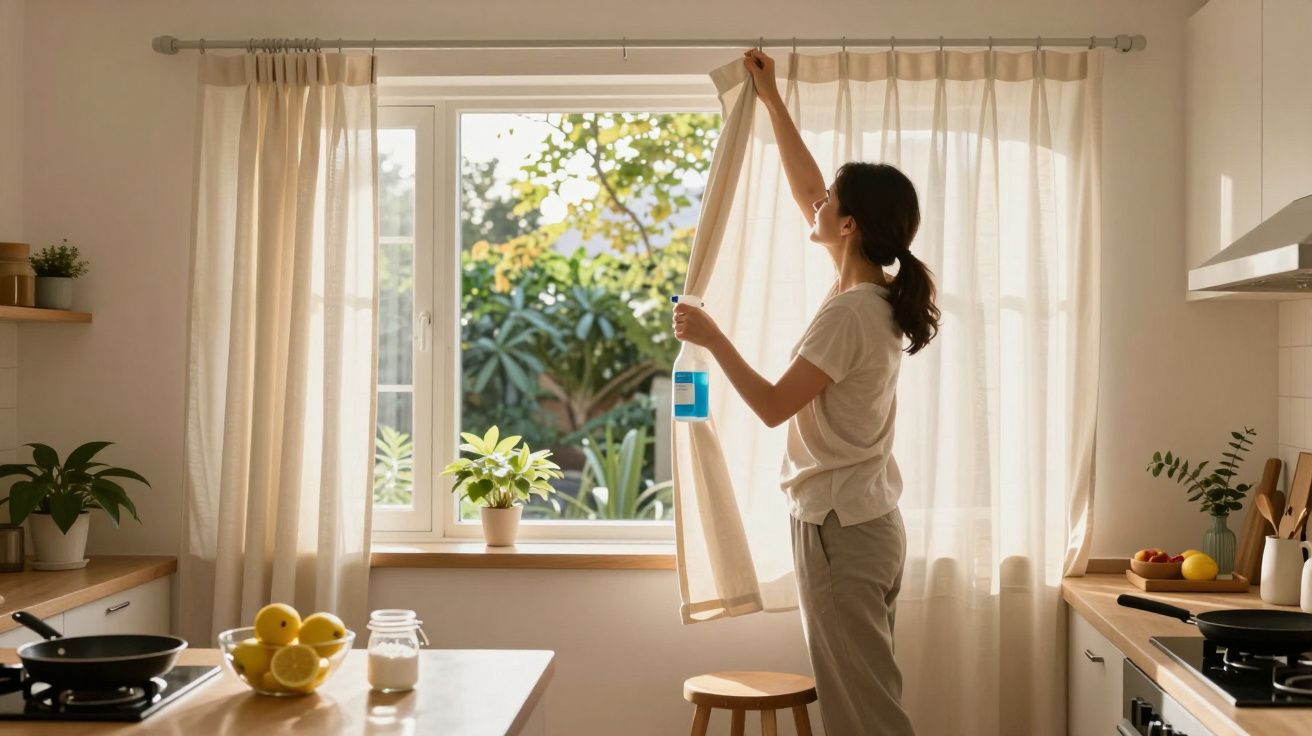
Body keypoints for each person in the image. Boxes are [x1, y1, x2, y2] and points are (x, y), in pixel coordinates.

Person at [671, 48, 941, 736]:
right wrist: (771, 100)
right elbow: (808, 188)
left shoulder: (849, 313)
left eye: (830, 204)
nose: (816, 205)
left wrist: (712, 335)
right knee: (868, 699)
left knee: (864, 714)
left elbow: (771, 407)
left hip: (838, 529)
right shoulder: (869, 293)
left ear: (849, 227)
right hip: (865, 522)